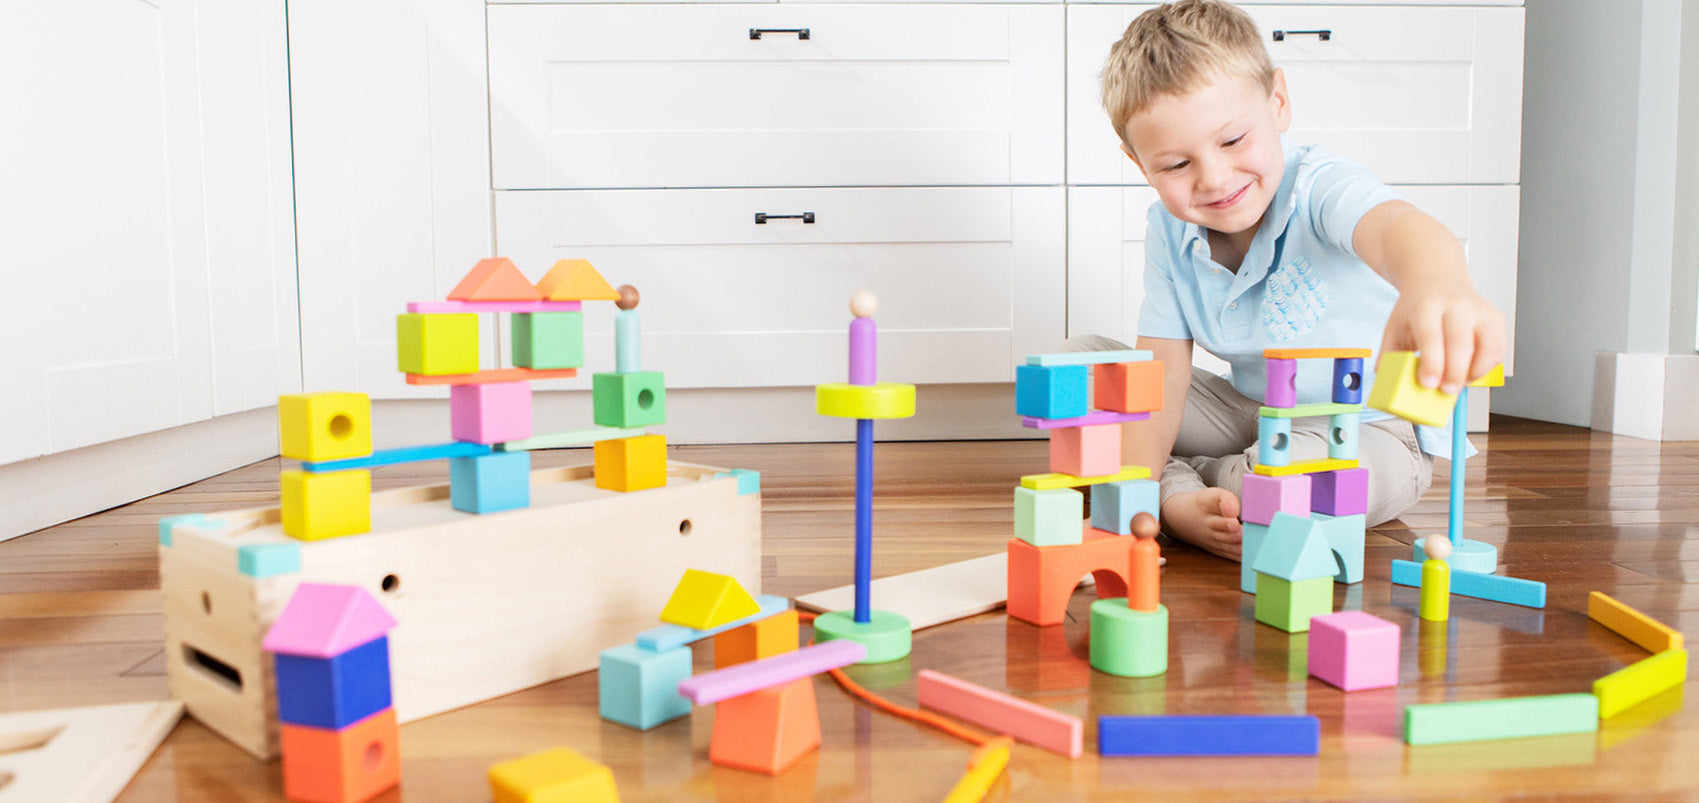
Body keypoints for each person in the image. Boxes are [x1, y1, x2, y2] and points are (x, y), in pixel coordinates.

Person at [1085, 0, 1506, 561]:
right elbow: (1159, 375)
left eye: (1233, 141)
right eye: (1176, 165)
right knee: (1083, 370)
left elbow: (1395, 228)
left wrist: (1437, 284)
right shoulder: (1168, 231)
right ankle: (1174, 494)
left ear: (1277, 102)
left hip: (1368, 435)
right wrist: (1132, 510)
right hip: (1251, 411)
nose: (1214, 178)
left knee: (1280, 496)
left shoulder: (1319, 188)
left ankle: (1189, 484)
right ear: (1140, 165)